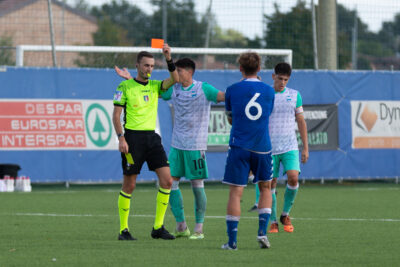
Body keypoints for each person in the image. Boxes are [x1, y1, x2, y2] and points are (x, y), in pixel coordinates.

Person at [116, 57, 224, 240]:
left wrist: (241, 92)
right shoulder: (173, 89)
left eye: (179, 71)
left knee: (194, 185)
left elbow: (222, 97)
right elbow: (145, 91)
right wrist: (129, 81)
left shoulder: (203, 88)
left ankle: (197, 228)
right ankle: (180, 226)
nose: (175, 75)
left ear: (189, 72)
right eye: (147, 65)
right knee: (166, 183)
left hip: (194, 146)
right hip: (172, 145)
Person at [112, 43, 179, 241]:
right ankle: (123, 230)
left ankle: (158, 227)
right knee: (129, 185)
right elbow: (116, 115)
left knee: (167, 180)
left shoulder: (155, 86)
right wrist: (121, 137)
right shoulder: (124, 86)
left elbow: (175, 79)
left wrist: (168, 57)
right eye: (146, 65)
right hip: (132, 139)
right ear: (137, 65)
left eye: (151, 66)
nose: (149, 69)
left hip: (152, 139)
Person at [221, 52, 275, 250]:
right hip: (262, 147)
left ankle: (232, 242)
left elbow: (230, 118)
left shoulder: (232, 90)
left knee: (236, 193)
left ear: (240, 69)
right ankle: (262, 233)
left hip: (239, 146)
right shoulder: (269, 92)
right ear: (259, 68)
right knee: (266, 188)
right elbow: (266, 116)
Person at [248, 62, 309, 234]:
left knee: (293, 178)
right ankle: (273, 221)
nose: (282, 82)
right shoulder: (265, 94)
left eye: (286, 79)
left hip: (290, 146)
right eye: (280, 78)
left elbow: (301, 121)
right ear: (273, 76)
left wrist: (305, 148)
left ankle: (285, 214)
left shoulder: (295, 95)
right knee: (270, 184)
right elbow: (256, 121)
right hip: (268, 148)